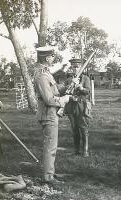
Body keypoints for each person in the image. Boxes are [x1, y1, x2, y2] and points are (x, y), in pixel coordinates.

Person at [33, 46, 71, 184]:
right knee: (50, 146)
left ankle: (50, 173)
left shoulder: (46, 73)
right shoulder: (42, 74)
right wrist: (63, 100)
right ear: (47, 58)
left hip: (50, 114)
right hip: (48, 114)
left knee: (51, 145)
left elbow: (53, 90)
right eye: (52, 56)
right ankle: (48, 176)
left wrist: (67, 86)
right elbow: (49, 99)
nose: (53, 58)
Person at [64, 58, 92, 157]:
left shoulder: (85, 78)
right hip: (71, 106)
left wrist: (81, 88)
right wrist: (70, 87)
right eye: (73, 66)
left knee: (83, 128)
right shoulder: (68, 79)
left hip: (81, 105)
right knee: (74, 129)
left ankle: (85, 151)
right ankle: (76, 150)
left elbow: (88, 92)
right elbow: (64, 91)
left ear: (81, 67)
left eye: (77, 66)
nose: (75, 68)